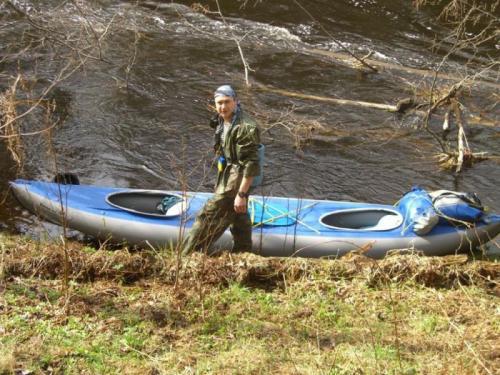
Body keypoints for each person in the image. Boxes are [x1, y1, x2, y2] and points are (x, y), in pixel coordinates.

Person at [182, 85, 261, 255]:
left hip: (239, 177)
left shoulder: (246, 128)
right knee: (239, 216)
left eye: (227, 102)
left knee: (207, 215)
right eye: (219, 103)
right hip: (228, 172)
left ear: (236, 102)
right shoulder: (221, 119)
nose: (222, 107)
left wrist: (241, 195)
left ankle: (187, 257)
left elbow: (251, 164)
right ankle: (243, 254)